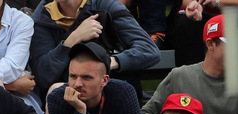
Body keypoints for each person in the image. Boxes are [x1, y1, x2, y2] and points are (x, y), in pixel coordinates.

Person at [28, 0, 159, 93]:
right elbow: (42, 77)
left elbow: (149, 50)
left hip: (109, 87)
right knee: (55, 91)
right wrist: (73, 39)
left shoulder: (105, 4)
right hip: (67, 94)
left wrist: (109, 62)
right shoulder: (42, 16)